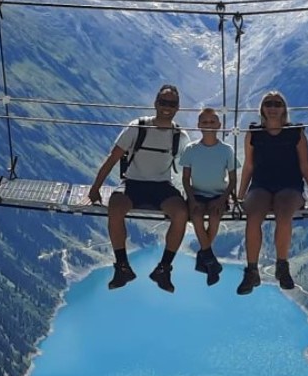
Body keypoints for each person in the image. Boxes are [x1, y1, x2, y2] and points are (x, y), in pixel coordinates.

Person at [88, 84, 191, 293]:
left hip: (162, 187)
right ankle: (122, 266)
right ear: (155, 103)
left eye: (171, 104)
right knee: (115, 208)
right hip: (133, 183)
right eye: (163, 102)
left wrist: (195, 198)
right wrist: (95, 187)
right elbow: (113, 158)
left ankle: (163, 268)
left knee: (181, 214)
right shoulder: (138, 127)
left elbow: (190, 168)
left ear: (178, 107)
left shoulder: (179, 136)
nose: (167, 107)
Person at [236, 91, 308, 295]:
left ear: (284, 109)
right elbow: (249, 167)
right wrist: (240, 197)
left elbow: (305, 166)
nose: (273, 107)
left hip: (290, 186)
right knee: (253, 217)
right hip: (261, 185)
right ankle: (251, 271)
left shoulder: (296, 133)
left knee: (284, 214)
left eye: (277, 104)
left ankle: (282, 266)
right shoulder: (254, 133)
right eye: (268, 103)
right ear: (262, 109)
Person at [180, 107, 238, 286]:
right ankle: (210, 260)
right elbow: (185, 179)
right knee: (196, 216)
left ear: (219, 125)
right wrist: (192, 199)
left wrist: (222, 199)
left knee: (215, 216)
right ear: (198, 125)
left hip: (218, 196)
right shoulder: (191, 149)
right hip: (196, 194)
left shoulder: (226, 150)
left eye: (212, 122)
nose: (209, 125)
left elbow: (233, 179)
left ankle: (206, 257)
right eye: (205, 122)